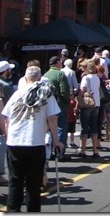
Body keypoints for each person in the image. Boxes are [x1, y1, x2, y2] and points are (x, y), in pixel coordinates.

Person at [2, 65, 63, 212]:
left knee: (15, 181)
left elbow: (6, 118)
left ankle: (13, 211)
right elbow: (53, 118)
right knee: (33, 184)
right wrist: (56, 140)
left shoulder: (17, 94)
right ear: (40, 77)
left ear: (26, 77)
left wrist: (9, 135)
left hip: (15, 142)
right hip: (34, 141)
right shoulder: (46, 93)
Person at [43, 56, 71, 161]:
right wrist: (67, 102)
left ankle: (49, 152)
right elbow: (64, 90)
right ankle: (60, 152)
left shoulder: (45, 75)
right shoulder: (60, 74)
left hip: (47, 106)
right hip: (59, 105)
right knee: (61, 128)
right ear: (57, 62)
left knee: (49, 129)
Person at [77, 60, 101, 158]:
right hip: (96, 103)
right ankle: (95, 150)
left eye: (84, 67)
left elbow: (82, 90)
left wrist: (78, 99)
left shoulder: (86, 78)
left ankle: (83, 150)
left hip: (87, 103)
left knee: (84, 127)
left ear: (87, 68)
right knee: (94, 126)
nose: (82, 69)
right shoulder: (97, 78)